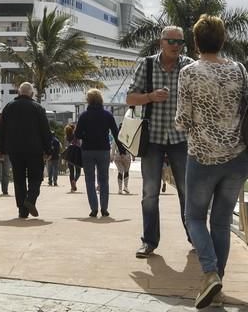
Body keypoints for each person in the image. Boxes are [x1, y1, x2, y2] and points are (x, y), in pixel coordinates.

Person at [175, 14, 248, 308]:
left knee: (193, 217)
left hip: (203, 158)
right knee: (220, 222)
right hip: (238, 158)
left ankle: (209, 272)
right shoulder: (239, 69)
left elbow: (182, 120)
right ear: (223, 40)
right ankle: (216, 284)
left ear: (195, 41)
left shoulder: (189, 73)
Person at [126, 25, 194, 258]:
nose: (176, 46)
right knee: (150, 191)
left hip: (181, 137)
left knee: (187, 190)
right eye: (171, 41)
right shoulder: (146, 65)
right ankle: (149, 241)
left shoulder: (189, 65)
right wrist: (150, 97)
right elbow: (130, 98)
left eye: (180, 42)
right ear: (161, 42)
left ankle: (194, 237)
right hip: (153, 138)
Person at [0, 82, 51, 218]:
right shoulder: (38, 108)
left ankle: (22, 210)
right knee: (36, 177)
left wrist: (0, 149)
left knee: (19, 179)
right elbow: (45, 131)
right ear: (32, 94)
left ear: (19, 93)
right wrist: (48, 150)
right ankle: (30, 199)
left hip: (15, 150)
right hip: (35, 150)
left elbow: (1, 130)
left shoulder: (8, 107)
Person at [75, 88, 124, 217]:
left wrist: (86, 135)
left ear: (88, 101)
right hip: (103, 150)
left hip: (88, 151)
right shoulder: (107, 115)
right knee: (104, 180)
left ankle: (94, 208)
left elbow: (78, 134)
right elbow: (115, 133)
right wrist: (122, 150)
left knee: (89, 180)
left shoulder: (84, 116)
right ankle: (104, 208)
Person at [111, 128, 131, 194]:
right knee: (126, 171)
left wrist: (112, 156)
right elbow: (130, 147)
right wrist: (133, 156)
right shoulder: (128, 137)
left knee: (120, 171)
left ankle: (119, 189)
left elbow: (113, 147)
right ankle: (125, 187)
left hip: (118, 155)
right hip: (127, 156)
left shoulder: (116, 137)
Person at [63, 123, 82, 192]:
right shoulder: (76, 136)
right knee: (78, 172)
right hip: (77, 155)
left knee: (71, 171)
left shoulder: (66, 137)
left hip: (69, 155)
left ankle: (72, 186)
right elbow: (80, 144)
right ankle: (74, 181)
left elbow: (65, 146)